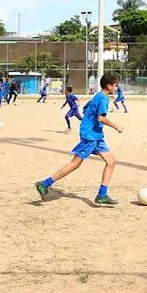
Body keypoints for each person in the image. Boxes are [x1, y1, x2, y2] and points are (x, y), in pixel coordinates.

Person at [35, 74, 124, 205]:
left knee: (111, 161)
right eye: (116, 85)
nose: (117, 88)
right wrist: (117, 126)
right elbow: (101, 118)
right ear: (109, 86)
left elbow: (86, 108)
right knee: (75, 164)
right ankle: (44, 184)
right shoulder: (103, 99)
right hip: (91, 136)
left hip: (96, 135)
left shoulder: (98, 96)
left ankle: (102, 195)